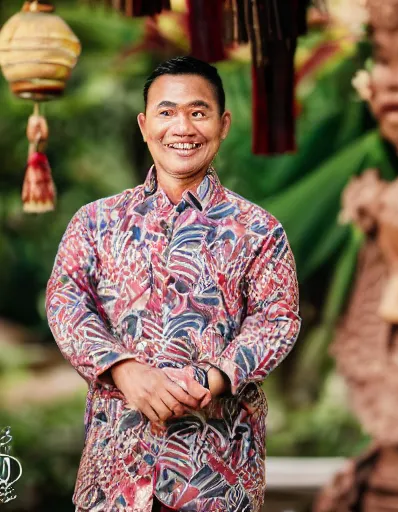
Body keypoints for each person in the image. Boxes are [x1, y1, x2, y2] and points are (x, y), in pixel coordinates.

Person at [46, 56, 301, 512]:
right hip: (116, 471)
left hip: (218, 477)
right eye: (166, 112)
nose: (182, 126)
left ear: (223, 124)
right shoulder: (95, 222)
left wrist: (215, 376)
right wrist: (124, 371)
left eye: (198, 112)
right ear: (145, 125)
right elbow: (66, 303)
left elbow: (277, 319)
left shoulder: (260, 230)